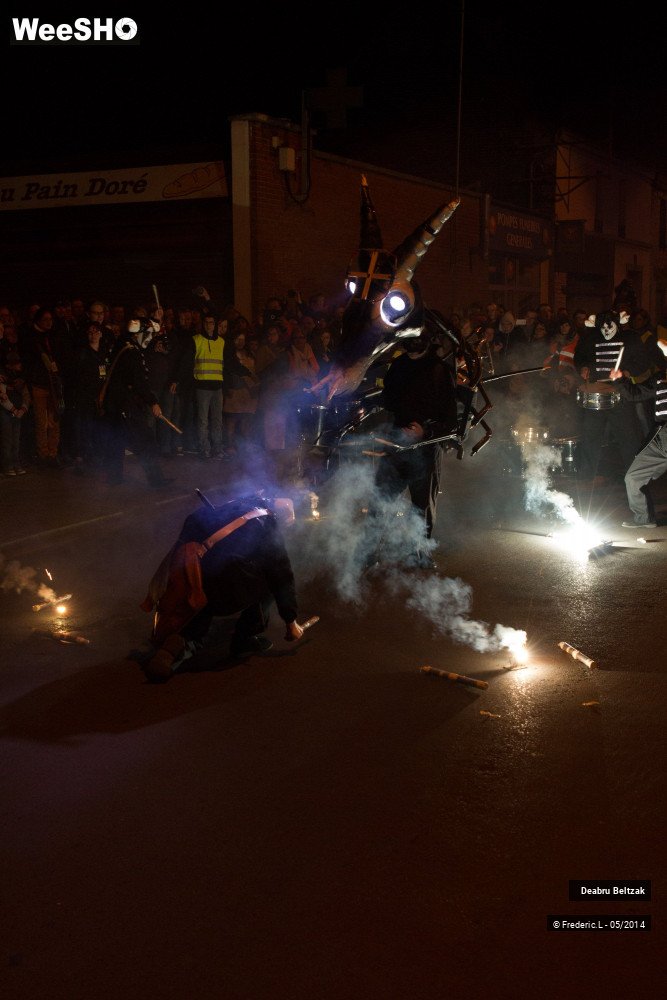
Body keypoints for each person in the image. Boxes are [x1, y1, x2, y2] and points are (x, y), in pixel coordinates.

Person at [140, 492, 306, 682]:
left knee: (202, 605)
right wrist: (291, 622)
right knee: (269, 582)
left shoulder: (238, 504)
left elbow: (194, 521)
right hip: (227, 590)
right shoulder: (268, 523)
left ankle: (179, 644)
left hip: (195, 577)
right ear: (278, 516)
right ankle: (243, 640)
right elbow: (282, 577)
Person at [363, 330, 458, 570]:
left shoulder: (440, 370)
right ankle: (368, 552)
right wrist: (364, 404)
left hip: (425, 448)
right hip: (396, 443)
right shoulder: (399, 364)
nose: (411, 345)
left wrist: (426, 431)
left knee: (421, 505)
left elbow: (450, 419)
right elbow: (388, 398)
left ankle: (419, 553)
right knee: (381, 498)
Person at [99, 317, 172, 488]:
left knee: (116, 441)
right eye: (148, 334)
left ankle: (114, 478)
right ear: (137, 334)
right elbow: (139, 382)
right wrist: (153, 402)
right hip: (126, 405)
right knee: (146, 441)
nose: (150, 338)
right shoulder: (132, 353)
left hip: (116, 404)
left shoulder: (123, 347)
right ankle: (156, 480)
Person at [610, 336, 667, 528]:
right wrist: (620, 380)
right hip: (660, 437)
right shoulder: (660, 377)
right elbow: (635, 394)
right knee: (633, 478)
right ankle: (643, 518)